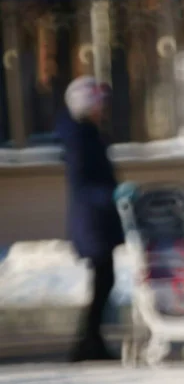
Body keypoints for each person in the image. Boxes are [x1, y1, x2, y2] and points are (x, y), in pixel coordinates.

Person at [56, 76, 124, 362]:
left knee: (104, 281)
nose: (103, 109)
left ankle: (91, 341)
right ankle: (87, 342)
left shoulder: (89, 135)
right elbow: (84, 183)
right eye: (99, 103)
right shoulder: (81, 138)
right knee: (102, 280)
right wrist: (111, 194)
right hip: (93, 221)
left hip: (99, 221)